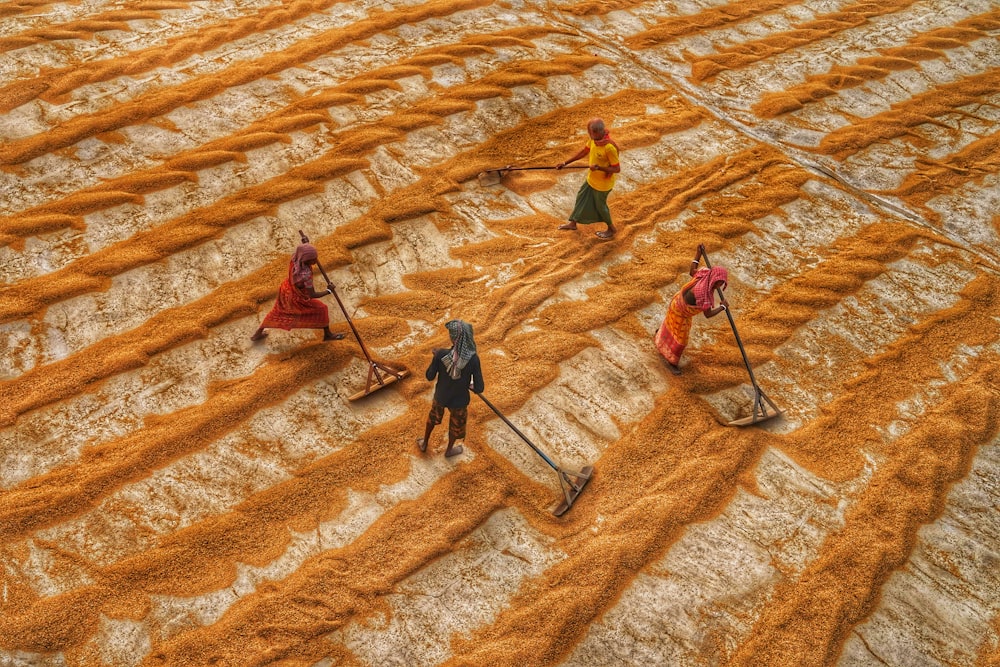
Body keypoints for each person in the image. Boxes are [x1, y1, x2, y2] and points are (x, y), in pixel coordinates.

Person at [655, 246, 729, 375]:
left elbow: (692, 271)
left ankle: (660, 336)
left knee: (670, 324)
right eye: (719, 283)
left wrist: (698, 254)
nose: (720, 286)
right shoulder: (703, 295)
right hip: (681, 312)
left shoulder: (705, 273)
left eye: (721, 283)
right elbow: (708, 314)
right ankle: (672, 362)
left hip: (676, 302)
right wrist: (723, 307)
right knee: (681, 340)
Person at [251, 243, 345, 342]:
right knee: (322, 309)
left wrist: (306, 245)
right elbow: (312, 295)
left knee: (277, 311)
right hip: (296, 297)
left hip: (286, 289)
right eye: (313, 259)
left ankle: (257, 334)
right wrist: (329, 290)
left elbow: (301, 250)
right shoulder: (305, 274)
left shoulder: (295, 258)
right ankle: (328, 335)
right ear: (306, 260)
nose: (316, 261)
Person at [418, 319, 485, 457]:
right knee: (456, 426)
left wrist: (436, 358)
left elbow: (429, 376)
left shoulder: (441, 354)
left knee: (433, 418)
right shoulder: (473, 359)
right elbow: (479, 388)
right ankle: (449, 451)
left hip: (441, 397)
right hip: (459, 402)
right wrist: (471, 385)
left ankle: (424, 443)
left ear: (452, 338)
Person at [556, 117, 621, 239]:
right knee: (581, 198)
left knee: (600, 207)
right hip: (591, 180)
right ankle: (573, 223)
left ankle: (611, 229)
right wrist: (565, 163)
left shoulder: (609, 148)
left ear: (596, 132)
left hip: (603, 185)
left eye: (590, 132)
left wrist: (599, 168)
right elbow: (583, 152)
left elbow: (616, 169)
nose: (589, 134)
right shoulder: (593, 141)